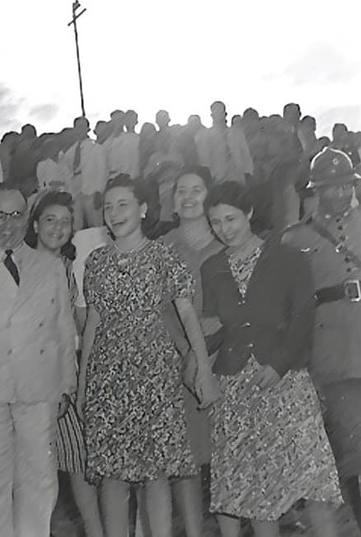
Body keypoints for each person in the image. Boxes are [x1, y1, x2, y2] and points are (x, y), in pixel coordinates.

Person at [77, 174, 218, 537]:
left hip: (155, 374)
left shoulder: (163, 255)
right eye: (108, 207)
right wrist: (82, 387)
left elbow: (187, 315)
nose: (114, 213)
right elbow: (93, 322)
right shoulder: (96, 262)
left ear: (142, 208)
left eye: (123, 204)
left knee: (156, 473)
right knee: (112, 474)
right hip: (108, 377)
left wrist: (201, 367)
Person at [201, 181, 342, 537]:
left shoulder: (288, 257)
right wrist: (198, 344)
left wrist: (279, 364)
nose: (224, 229)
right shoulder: (212, 266)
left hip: (285, 382)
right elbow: (218, 325)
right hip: (236, 387)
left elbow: (303, 317)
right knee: (256, 494)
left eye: (231, 219)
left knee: (313, 483)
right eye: (215, 222)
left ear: (249, 213)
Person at [0, 183, 76, 537]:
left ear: (27, 219)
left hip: (38, 384)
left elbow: (62, 328)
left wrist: (67, 381)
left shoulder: (50, 266)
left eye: (16, 215)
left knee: (39, 477)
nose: (7, 224)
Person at [281, 148, 361, 536]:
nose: (337, 194)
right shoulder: (296, 238)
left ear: (353, 185)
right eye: (328, 187)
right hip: (336, 357)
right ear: (316, 191)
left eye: (344, 185)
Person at [25, 189, 104, 537]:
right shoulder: (19, 266)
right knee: (33, 471)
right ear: (35, 224)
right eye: (50, 220)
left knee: (79, 462)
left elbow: (81, 327)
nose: (57, 228)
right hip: (28, 377)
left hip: (66, 375)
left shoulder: (72, 269)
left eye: (65, 221)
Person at [161, 167, 223, 537]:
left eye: (196, 190)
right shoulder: (163, 247)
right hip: (178, 362)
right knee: (185, 459)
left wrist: (208, 351)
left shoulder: (226, 241)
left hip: (225, 359)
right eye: (180, 190)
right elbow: (161, 311)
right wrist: (190, 354)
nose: (187, 197)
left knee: (224, 457)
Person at [60, 117, 105, 230]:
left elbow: (102, 171)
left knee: (96, 224)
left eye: (82, 127)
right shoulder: (70, 152)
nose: (79, 130)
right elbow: (66, 171)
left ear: (87, 129)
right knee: (76, 225)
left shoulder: (96, 148)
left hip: (91, 190)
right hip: (75, 192)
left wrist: (99, 192)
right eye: (77, 127)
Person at [195, 101, 254, 185]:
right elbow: (204, 158)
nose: (218, 114)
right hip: (216, 178)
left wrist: (249, 172)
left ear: (225, 113)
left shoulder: (236, 132)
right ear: (212, 115)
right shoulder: (204, 135)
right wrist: (208, 177)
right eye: (216, 111)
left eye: (220, 111)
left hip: (237, 177)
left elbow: (245, 153)